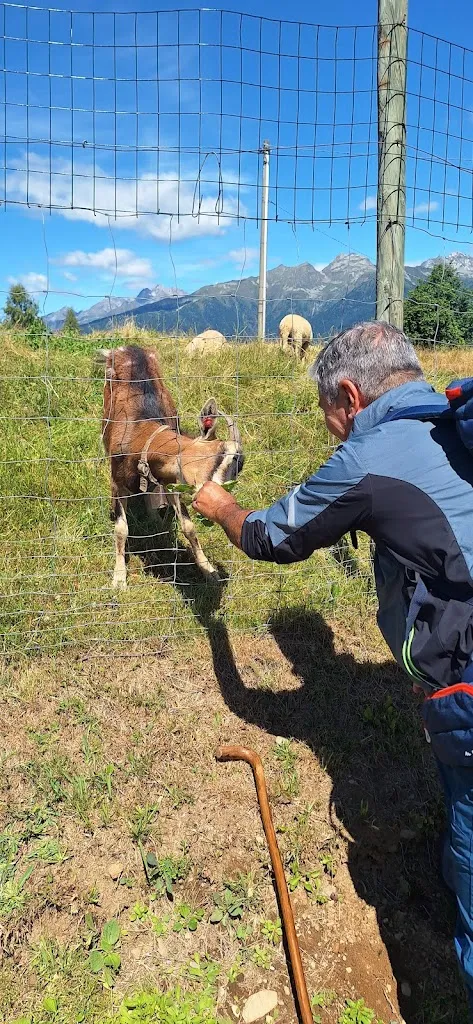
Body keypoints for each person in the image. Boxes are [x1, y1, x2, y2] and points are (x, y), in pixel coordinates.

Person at [192, 320, 473, 1014]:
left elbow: (268, 537)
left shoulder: (370, 455)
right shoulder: (454, 424)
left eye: (327, 417)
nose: (330, 432)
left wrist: (216, 502)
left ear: (348, 396)